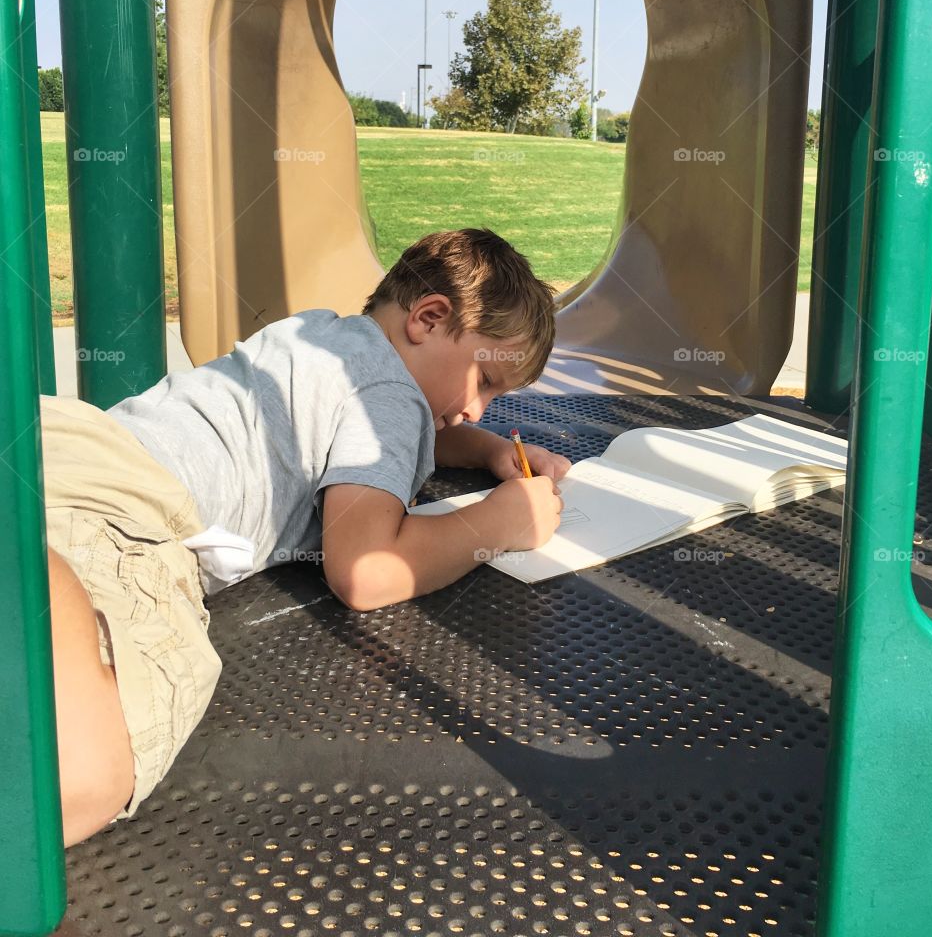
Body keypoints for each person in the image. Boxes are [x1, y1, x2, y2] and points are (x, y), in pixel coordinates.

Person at [43, 227, 571, 846]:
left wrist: (487, 454)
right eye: (485, 381)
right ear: (429, 317)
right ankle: (37, 574)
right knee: (85, 776)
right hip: (122, 520)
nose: (480, 411)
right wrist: (497, 524)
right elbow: (366, 570)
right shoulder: (391, 398)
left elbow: (405, 430)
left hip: (64, 448)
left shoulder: (328, 337)